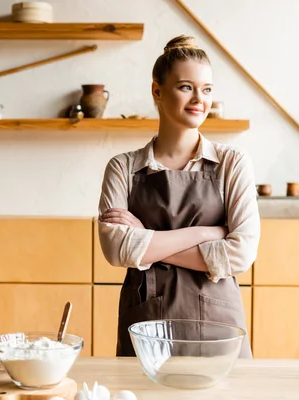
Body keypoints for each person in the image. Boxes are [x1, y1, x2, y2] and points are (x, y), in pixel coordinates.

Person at [97, 34, 260, 358]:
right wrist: (206, 234)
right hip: (146, 328)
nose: (199, 99)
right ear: (157, 90)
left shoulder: (232, 163)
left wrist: (146, 243)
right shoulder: (124, 168)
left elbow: (240, 254)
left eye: (207, 89)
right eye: (186, 87)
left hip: (219, 331)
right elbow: (117, 249)